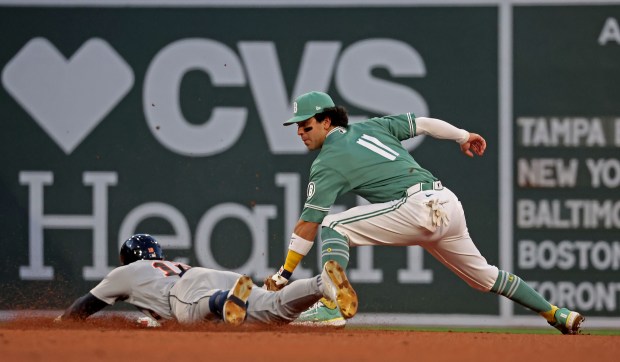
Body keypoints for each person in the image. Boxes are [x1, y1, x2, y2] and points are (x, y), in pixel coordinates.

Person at [263, 91, 584, 334]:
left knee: (333, 224)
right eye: (297, 128)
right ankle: (557, 314)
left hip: (417, 207)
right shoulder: (372, 127)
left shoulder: (326, 162)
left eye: (305, 125)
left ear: (326, 121)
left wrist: (283, 274)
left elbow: (309, 222)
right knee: (485, 276)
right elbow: (423, 124)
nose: (300, 132)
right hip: (446, 203)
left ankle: (332, 304)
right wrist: (463, 136)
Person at [55, 234, 357, 327]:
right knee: (276, 311)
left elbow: (86, 305)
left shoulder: (125, 273)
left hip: (188, 291)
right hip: (211, 275)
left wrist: (62, 322)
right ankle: (321, 284)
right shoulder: (170, 264)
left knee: (191, 313)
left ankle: (224, 301)